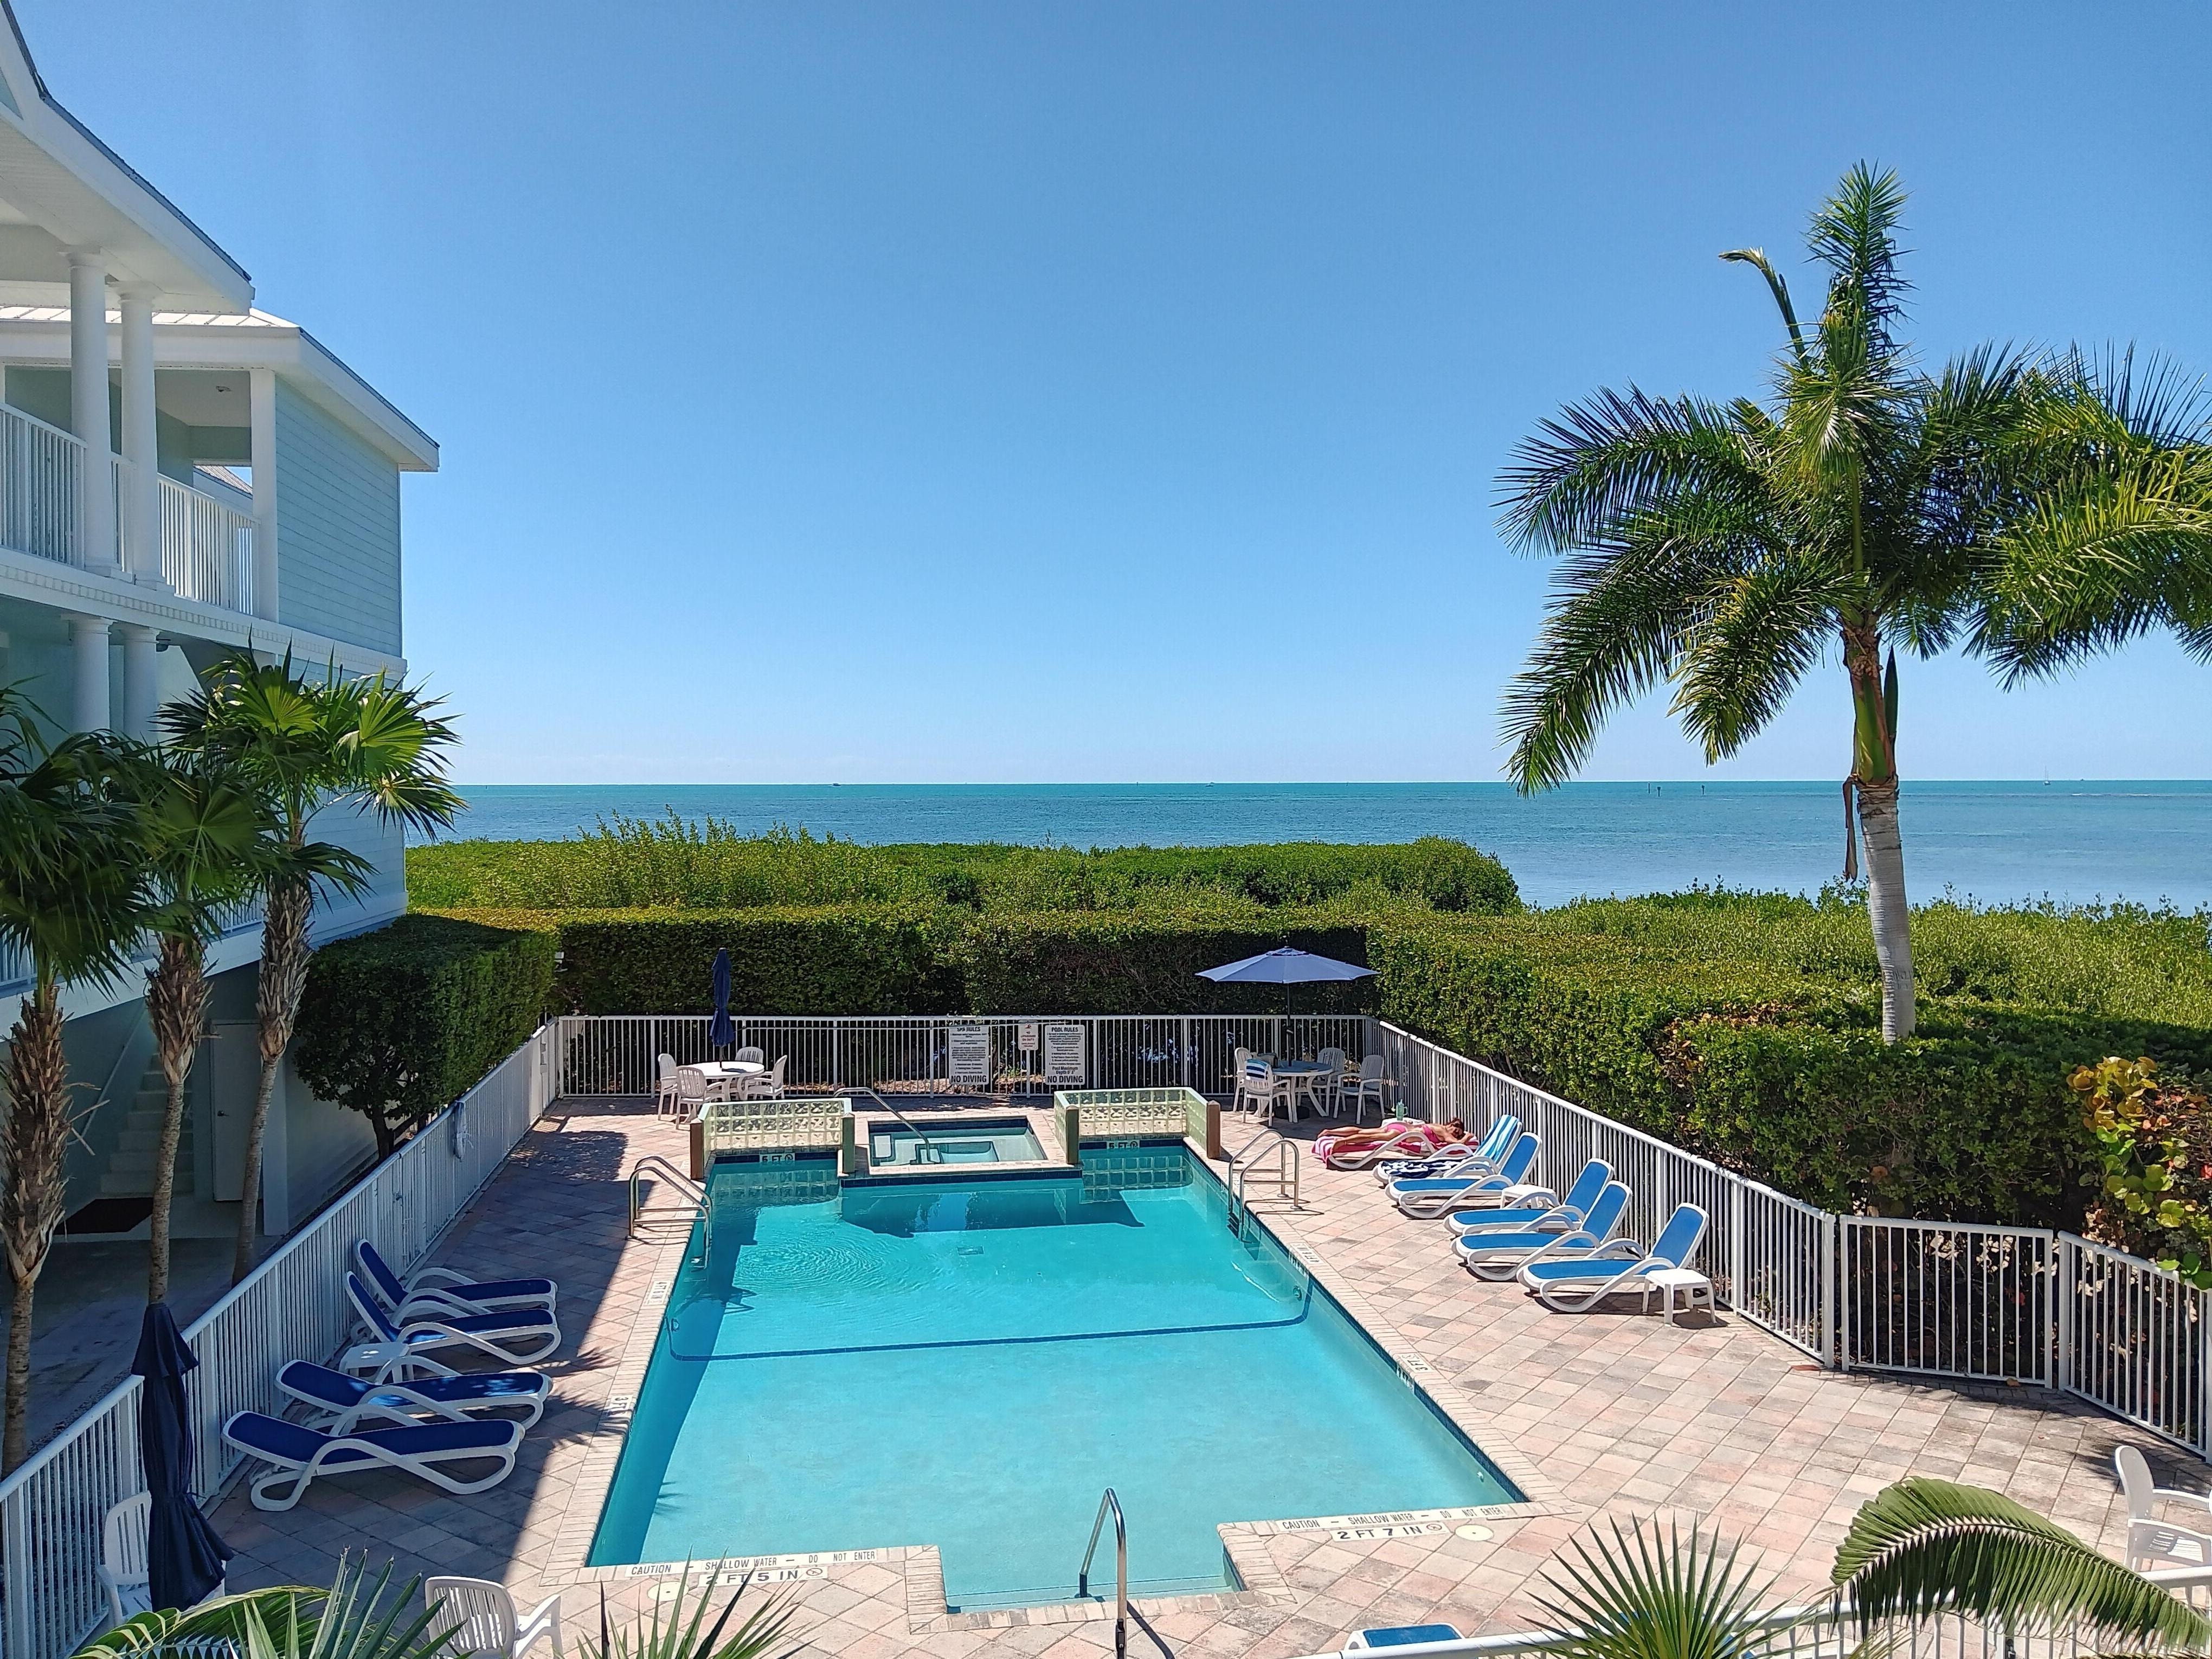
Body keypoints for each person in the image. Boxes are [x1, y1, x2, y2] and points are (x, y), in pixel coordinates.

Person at [1314, 1116, 1466, 1164]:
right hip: (1401, 1133)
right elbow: (1458, 1144)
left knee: (1364, 1131)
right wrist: (1468, 1136)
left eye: (1458, 1133)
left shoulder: (1437, 1125)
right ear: (1451, 1125)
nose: (1456, 1134)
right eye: (1456, 1130)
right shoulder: (1444, 1131)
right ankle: (1343, 1142)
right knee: (1372, 1138)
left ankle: (1330, 1132)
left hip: (1400, 1126)